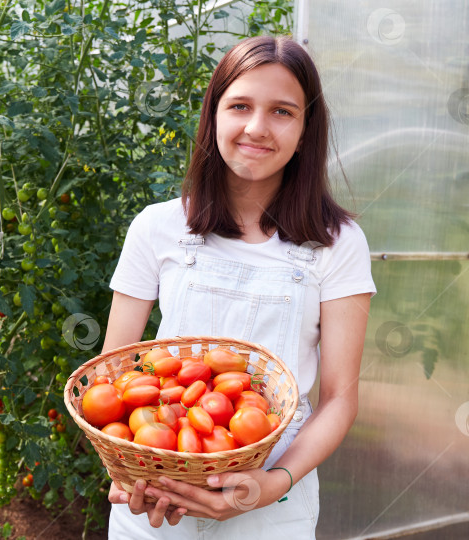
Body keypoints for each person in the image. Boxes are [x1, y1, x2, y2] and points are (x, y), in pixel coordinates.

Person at [101, 35, 376, 539]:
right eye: (240, 106)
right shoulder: (157, 228)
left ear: (305, 130)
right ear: (214, 116)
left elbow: (340, 397)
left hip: (273, 508)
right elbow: (112, 373)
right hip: (160, 495)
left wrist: (274, 482)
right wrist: (126, 472)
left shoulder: (338, 244)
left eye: (282, 112)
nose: (256, 128)